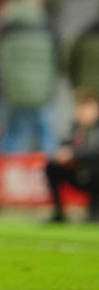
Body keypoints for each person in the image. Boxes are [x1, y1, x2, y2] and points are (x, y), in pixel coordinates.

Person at [45, 87, 99, 222]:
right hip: (79, 172)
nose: (82, 112)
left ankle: (94, 211)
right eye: (80, 107)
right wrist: (61, 153)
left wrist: (73, 154)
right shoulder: (75, 128)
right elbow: (64, 144)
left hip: (93, 174)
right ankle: (59, 212)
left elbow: (94, 150)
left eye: (86, 107)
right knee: (52, 166)